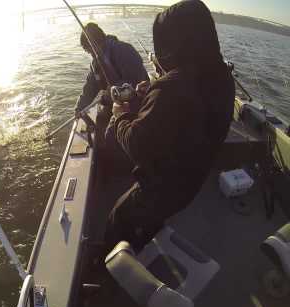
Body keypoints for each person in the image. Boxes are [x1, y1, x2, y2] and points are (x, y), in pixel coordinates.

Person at [104, 0, 235, 253]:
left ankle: (111, 268)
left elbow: (136, 145)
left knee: (117, 218)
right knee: (152, 218)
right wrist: (152, 93)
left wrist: (120, 114)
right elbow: (189, 116)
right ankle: (143, 239)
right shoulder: (222, 77)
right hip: (191, 182)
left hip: (162, 187)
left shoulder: (171, 88)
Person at [74, 22, 149, 118]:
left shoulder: (124, 50)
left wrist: (112, 92)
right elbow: (89, 88)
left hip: (137, 104)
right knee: (100, 118)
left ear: (97, 42)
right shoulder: (96, 62)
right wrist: (79, 108)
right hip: (115, 105)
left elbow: (138, 82)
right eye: (88, 52)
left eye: (90, 50)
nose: (91, 54)